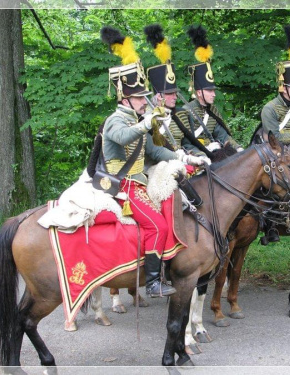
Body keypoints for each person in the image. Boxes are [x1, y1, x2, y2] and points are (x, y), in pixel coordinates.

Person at [100, 26, 205, 297]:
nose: (143, 101)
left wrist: (184, 156)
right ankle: (154, 282)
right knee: (156, 225)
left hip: (138, 182)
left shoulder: (136, 120)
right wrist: (146, 123)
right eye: (138, 97)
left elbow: (155, 153)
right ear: (125, 98)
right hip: (119, 184)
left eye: (143, 97)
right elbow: (122, 138)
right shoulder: (116, 120)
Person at [143, 24, 210, 167]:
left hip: (184, 163)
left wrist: (201, 155)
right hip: (160, 167)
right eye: (170, 94)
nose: (175, 97)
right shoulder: (147, 119)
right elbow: (153, 153)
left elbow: (188, 143)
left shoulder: (180, 114)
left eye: (175, 93)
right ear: (159, 96)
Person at [176, 25, 243, 159]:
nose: (214, 94)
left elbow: (223, 136)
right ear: (199, 92)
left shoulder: (212, 110)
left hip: (215, 153)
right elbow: (186, 144)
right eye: (209, 91)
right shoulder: (186, 111)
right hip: (196, 157)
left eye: (213, 90)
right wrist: (204, 152)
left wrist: (239, 148)